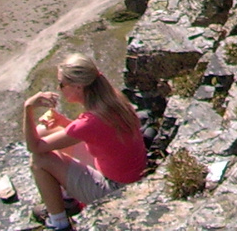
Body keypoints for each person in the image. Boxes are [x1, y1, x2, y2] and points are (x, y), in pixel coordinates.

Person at [23, 52, 146, 229]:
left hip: (114, 189)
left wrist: (28, 108)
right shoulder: (112, 100)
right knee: (45, 130)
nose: (59, 89)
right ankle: (66, 198)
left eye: (62, 84)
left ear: (78, 87)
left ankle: (59, 223)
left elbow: (34, 147)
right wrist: (61, 122)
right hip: (131, 175)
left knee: (39, 160)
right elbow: (96, 134)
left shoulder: (90, 122)